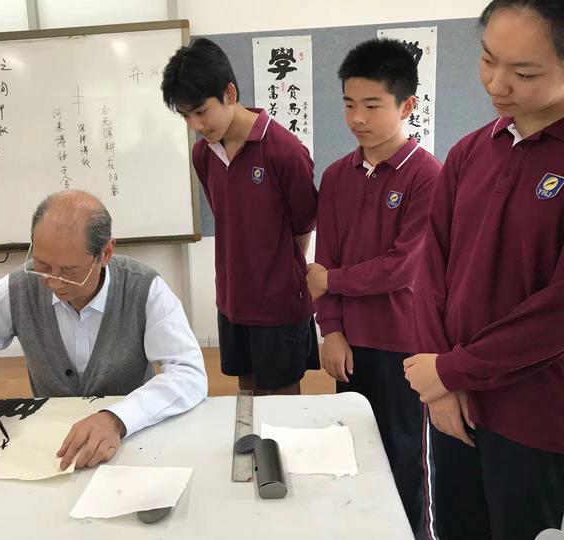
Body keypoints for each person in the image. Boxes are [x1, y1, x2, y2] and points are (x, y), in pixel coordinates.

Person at [404, 2, 564, 538]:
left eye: (525, 73)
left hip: (536, 415)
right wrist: (440, 383)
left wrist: (452, 371)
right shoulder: (470, 152)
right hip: (452, 400)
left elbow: (555, 314)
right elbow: (431, 269)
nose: (497, 84)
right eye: (488, 60)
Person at [0, 190, 207, 470]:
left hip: (133, 438)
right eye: (42, 265)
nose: (53, 282)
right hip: (52, 445)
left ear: (105, 253)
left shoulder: (143, 288)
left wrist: (117, 418)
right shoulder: (20, 287)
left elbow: (189, 373)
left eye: (69, 271)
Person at [305, 38, 441, 537]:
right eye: (348, 104)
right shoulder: (337, 176)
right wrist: (332, 331)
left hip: (405, 344)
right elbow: (325, 259)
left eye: (372, 105)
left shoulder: (428, 176)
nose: (357, 118)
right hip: (351, 344)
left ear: (406, 106)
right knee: (354, 448)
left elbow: (402, 267)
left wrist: (333, 281)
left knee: (406, 456)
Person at [161, 37, 319, 396]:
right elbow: (229, 218)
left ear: (229, 93)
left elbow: (303, 225)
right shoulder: (203, 154)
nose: (196, 125)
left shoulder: (284, 151)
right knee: (246, 397)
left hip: (279, 304)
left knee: (281, 403)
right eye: (186, 116)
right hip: (232, 299)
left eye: (201, 111)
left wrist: (275, 274)